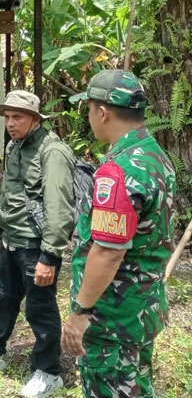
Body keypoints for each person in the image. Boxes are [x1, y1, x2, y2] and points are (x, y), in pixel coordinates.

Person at [0, 90, 75, 398]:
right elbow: (8, 192)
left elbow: (59, 208)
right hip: (11, 240)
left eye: (17, 117)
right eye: (7, 117)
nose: (10, 123)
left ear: (35, 119)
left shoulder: (53, 152)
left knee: (40, 309)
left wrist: (49, 256)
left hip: (36, 245)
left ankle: (48, 372)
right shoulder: (14, 147)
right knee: (4, 299)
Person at [63, 70, 176, 398]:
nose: (89, 116)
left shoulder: (120, 171)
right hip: (142, 310)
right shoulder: (157, 156)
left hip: (111, 320)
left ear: (102, 112)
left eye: (88, 108)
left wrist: (79, 315)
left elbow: (108, 252)